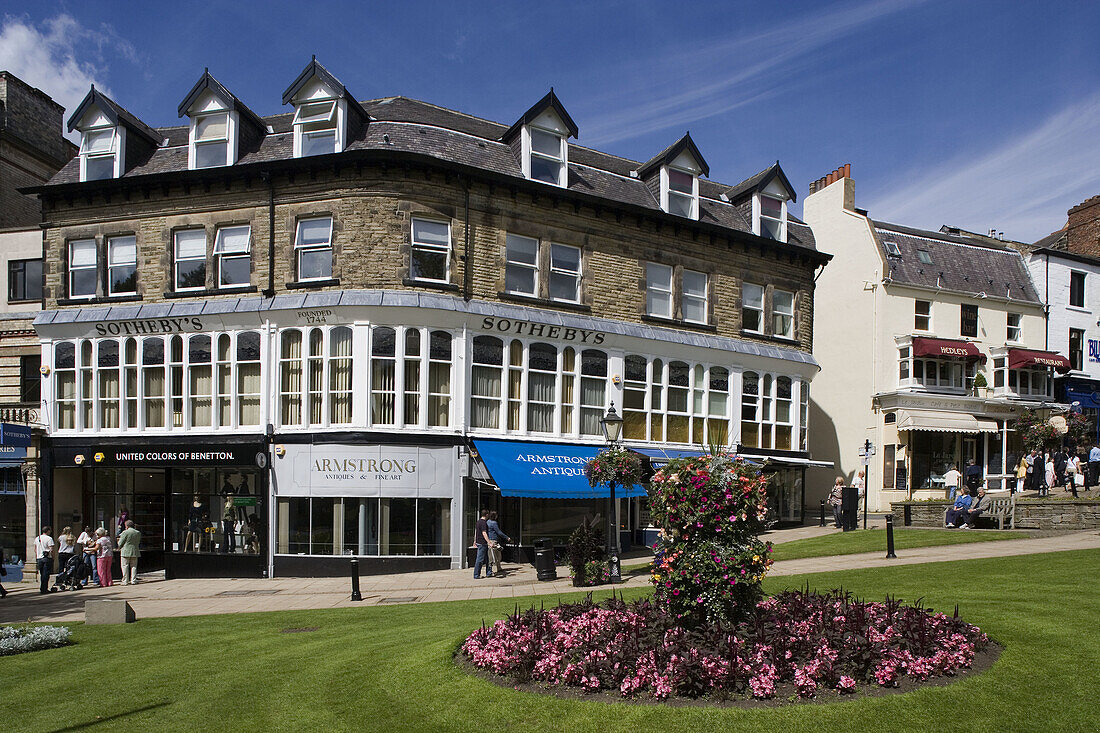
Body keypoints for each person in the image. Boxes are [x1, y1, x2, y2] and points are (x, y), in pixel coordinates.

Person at [116, 520, 141, 585]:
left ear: (126, 526)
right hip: (135, 551)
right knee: (134, 566)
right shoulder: (138, 532)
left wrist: (118, 542)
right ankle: (133, 580)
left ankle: (125, 580)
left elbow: (120, 543)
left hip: (125, 551)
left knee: (125, 566)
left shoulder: (125, 532)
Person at [486, 510, 511, 575]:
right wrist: (507, 537)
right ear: (494, 516)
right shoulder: (494, 523)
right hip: (494, 541)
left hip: (489, 540)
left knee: (491, 556)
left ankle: (496, 568)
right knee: (497, 555)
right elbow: (499, 532)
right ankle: (497, 568)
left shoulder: (488, 522)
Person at [34, 526, 56, 594]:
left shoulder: (37, 538)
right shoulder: (49, 538)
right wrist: (53, 557)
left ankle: (42, 588)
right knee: (46, 574)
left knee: (42, 574)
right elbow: (51, 549)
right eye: (50, 530)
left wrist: (37, 555)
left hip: (39, 558)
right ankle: (44, 589)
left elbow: (35, 549)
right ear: (48, 531)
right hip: (47, 558)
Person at [472, 509, 493, 579]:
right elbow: (484, 533)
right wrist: (489, 542)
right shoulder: (484, 523)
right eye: (488, 514)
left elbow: (476, 532)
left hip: (479, 542)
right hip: (482, 543)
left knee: (488, 558)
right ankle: (476, 574)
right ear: (486, 515)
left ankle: (489, 572)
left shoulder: (478, 522)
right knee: (480, 559)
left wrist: (475, 540)